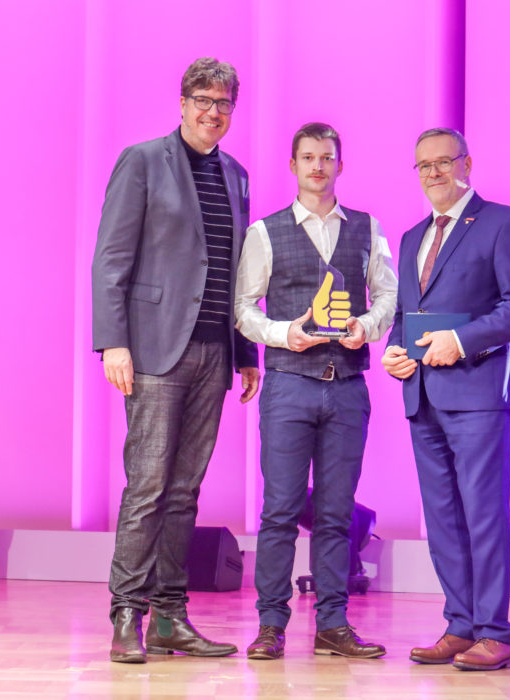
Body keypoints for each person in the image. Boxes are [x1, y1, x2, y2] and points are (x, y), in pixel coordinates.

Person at [91, 57, 260, 664]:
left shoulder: (237, 175)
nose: (213, 111)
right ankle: (125, 615)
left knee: (186, 491)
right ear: (183, 101)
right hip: (156, 347)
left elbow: (240, 273)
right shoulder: (142, 161)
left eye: (224, 103)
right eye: (202, 99)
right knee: (149, 485)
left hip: (216, 350)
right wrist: (114, 341)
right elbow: (111, 258)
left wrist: (246, 352)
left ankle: (169, 617)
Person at [381, 127, 510, 671]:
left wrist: (461, 341)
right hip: (422, 394)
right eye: (423, 165)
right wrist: (394, 352)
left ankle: (496, 631)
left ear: (466, 163)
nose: (433, 173)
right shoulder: (410, 238)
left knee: (482, 513)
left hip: (478, 392)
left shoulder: (502, 222)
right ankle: (461, 624)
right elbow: (406, 315)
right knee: (444, 516)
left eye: (443, 162)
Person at [234, 122, 397, 660]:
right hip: (288, 386)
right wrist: (284, 334)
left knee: (335, 512)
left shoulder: (368, 229)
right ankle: (271, 625)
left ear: (339, 166)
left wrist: (367, 328)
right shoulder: (266, 232)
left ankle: (333, 623)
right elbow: (243, 308)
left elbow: (386, 299)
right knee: (280, 511)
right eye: (308, 157)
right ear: (294, 165)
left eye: (327, 158)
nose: (318, 167)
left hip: (348, 386)